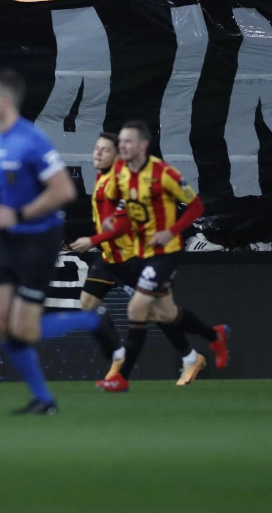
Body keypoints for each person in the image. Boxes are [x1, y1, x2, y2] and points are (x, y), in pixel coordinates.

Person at [0, 71, 116, 415]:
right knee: (2, 327)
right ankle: (44, 401)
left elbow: (63, 191)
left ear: (4, 101)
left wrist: (19, 215)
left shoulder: (32, 139)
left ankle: (93, 320)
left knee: (24, 331)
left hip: (38, 241)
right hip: (10, 242)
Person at [94, 121, 229, 393]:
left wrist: (171, 231)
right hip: (141, 252)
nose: (123, 146)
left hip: (165, 253)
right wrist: (109, 218)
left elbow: (196, 206)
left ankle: (121, 378)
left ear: (143, 145)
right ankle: (215, 335)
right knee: (167, 315)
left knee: (136, 308)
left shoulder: (164, 173)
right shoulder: (119, 172)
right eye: (121, 142)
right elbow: (110, 197)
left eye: (129, 142)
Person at [67, 133, 207, 386]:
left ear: (118, 156)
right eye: (96, 148)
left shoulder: (124, 182)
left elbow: (124, 224)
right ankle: (118, 354)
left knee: (157, 313)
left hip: (131, 258)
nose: (97, 153)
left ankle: (190, 356)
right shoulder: (102, 176)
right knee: (87, 303)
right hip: (110, 256)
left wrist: (93, 240)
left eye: (104, 150)